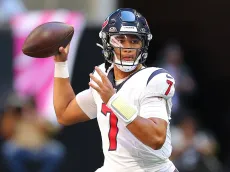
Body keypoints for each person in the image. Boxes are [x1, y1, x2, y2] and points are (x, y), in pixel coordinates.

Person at [54, 8, 178, 172]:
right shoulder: (104, 78)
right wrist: (60, 64)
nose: (127, 47)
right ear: (107, 43)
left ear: (143, 44)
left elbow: (156, 138)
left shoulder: (153, 79)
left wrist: (113, 100)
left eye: (134, 41)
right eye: (120, 40)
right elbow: (64, 113)